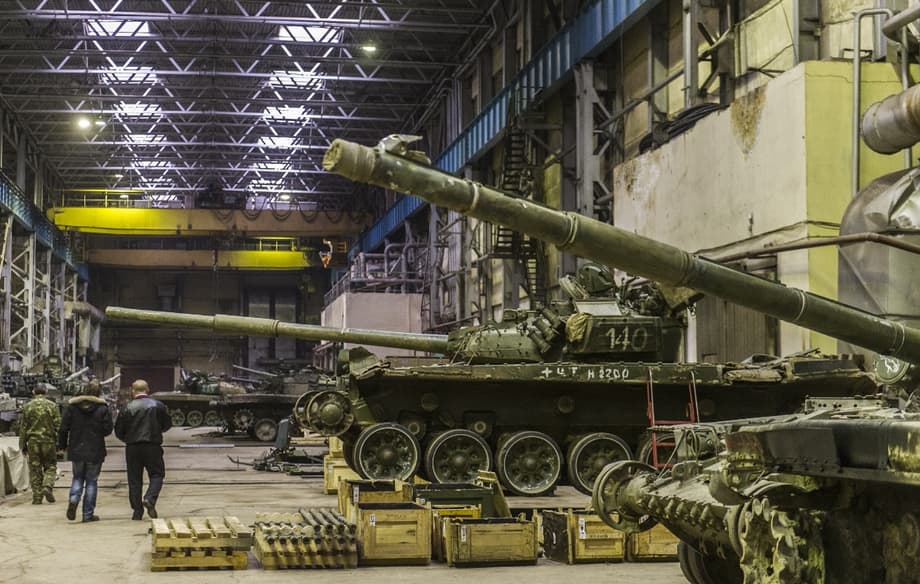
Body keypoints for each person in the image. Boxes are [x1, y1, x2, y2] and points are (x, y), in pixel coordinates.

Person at [57, 381, 113, 522]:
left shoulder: (72, 407)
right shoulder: (103, 408)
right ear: (99, 392)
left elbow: (63, 428)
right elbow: (107, 430)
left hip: (76, 448)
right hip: (95, 450)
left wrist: (62, 446)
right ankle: (88, 514)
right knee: (91, 481)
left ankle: (74, 499)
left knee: (77, 477)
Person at [114, 379, 171, 520]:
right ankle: (150, 498)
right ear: (148, 389)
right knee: (157, 474)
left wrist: (128, 439)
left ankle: (137, 512)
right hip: (152, 445)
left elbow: (119, 430)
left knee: (134, 479)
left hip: (133, 447)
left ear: (132, 391)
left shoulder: (126, 407)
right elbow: (167, 424)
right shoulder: (158, 405)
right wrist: (157, 431)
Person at [19, 385, 61, 505]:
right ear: (46, 392)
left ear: (33, 392)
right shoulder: (52, 406)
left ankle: (37, 498)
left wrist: (22, 445)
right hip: (48, 441)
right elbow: (58, 425)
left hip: (32, 442)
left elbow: (23, 427)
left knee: (35, 469)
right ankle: (47, 485)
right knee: (51, 466)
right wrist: (60, 443)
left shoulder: (27, 406)